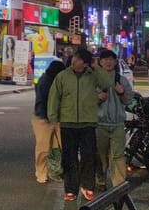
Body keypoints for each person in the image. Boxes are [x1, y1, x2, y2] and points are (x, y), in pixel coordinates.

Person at [47, 48, 114, 202]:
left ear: (85, 64)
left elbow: (107, 83)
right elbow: (54, 98)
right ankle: (71, 189)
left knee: (88, 156)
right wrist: (53, 119)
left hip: (87, 122)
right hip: (68, 122)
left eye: (80, 61)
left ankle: (87, 186)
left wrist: (96, 67)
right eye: (75, 59)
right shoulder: (62, 76)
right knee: (69, 157)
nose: (76, 62)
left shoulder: (92, 75)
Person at [96, 49, 133, 189]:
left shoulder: (121, 80)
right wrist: (98, 99)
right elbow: (86, 101)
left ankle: (119, 184)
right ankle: (101, 179)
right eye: (105, 59)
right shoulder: (95, 80)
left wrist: (121, 92)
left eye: (111, 59)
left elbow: (128, 100)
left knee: (118, 155)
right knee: (101, 155)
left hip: (117, 124)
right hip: (99, 124)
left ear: (115, 62)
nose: (108, 62)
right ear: (100, 62)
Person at [31, 59, 65, 183]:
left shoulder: (54, 80)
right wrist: (44, 118)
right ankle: (41, 171)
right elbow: (41, 100)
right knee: (43, 147)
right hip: (43, 118)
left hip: (55, 117)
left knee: (57, 146)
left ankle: (51, 170)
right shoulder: (46, 82)